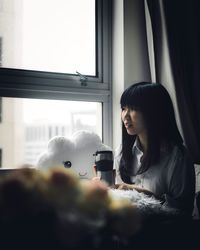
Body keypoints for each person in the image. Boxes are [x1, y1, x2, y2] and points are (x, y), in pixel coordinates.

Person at [114, 82, 195, 216]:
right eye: (123, 108)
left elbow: (182, 212)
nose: (125, 116)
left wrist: (142, 194)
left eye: (133, 108)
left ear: (153, 111)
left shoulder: (177, 157)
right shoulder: (122, 151)